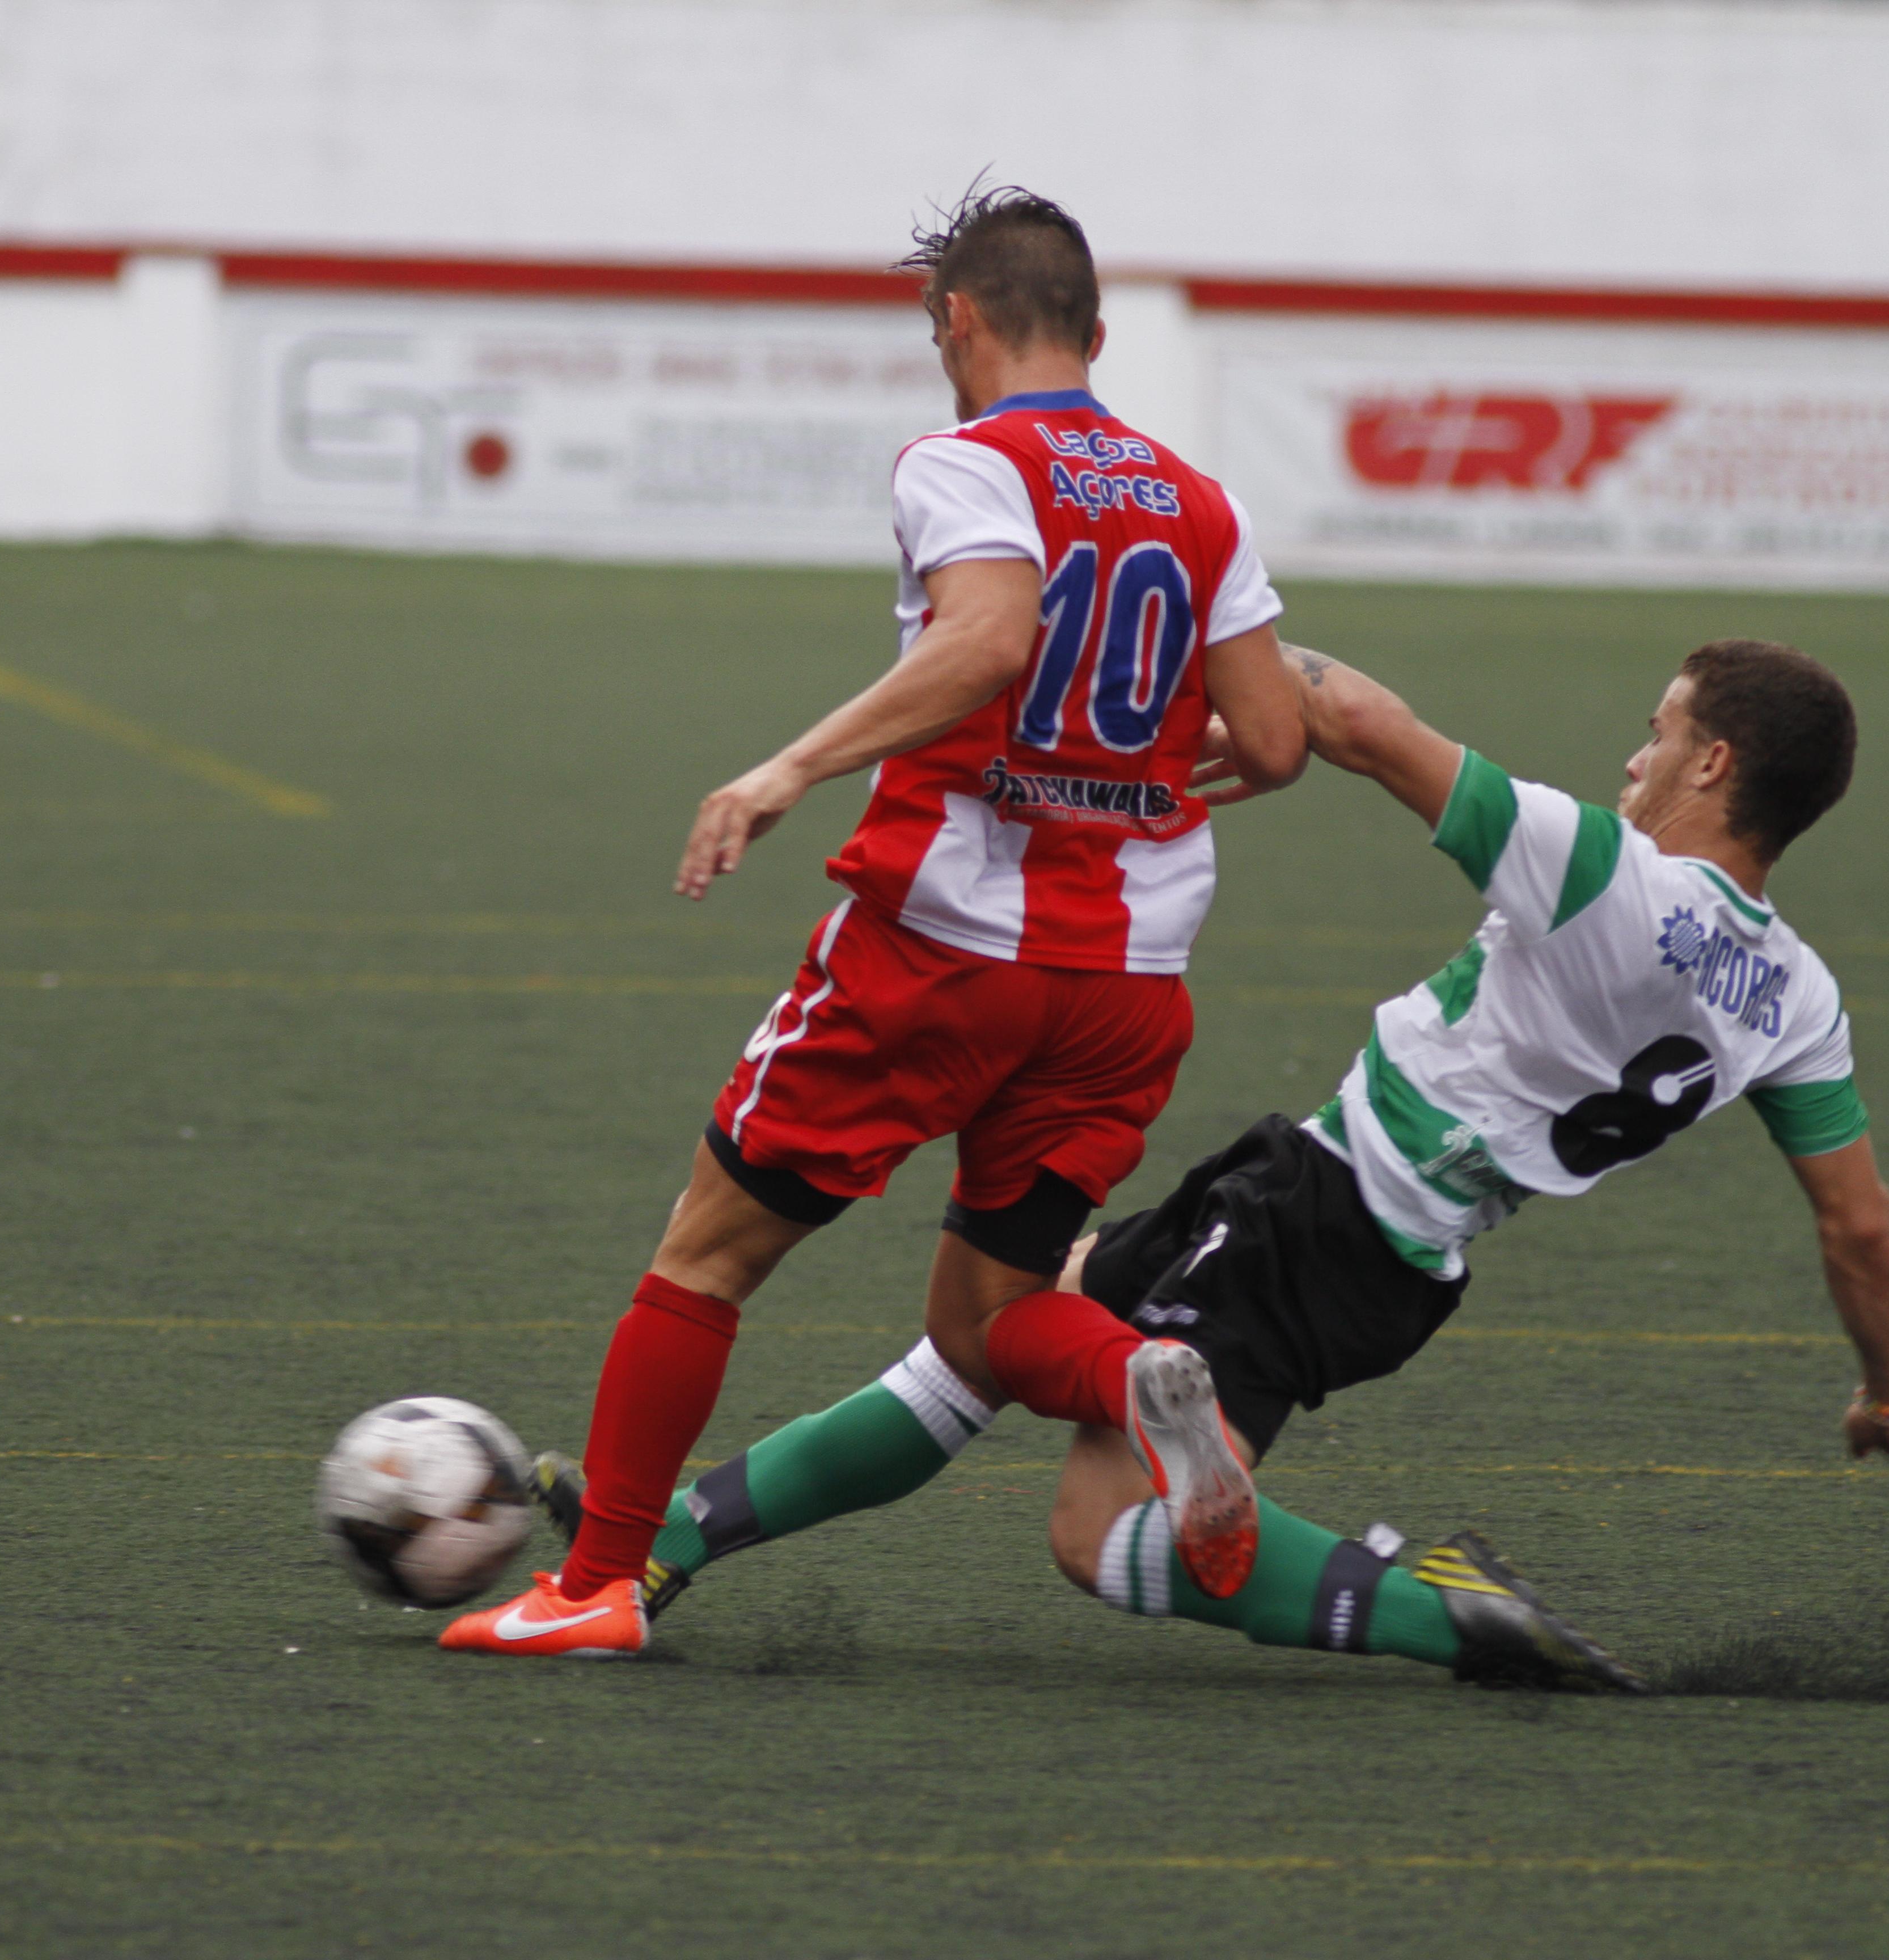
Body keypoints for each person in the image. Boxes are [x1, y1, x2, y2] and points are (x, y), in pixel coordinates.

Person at [535, 637, 1889, 1691]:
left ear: (1715, 764)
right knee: (996, 1331)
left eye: (1658, 732)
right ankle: (670, 1536)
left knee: (1095, 1534)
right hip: (1365, 1233)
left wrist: (1205, 651)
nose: (1635, 756)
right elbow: (1866, 1233)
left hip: (1321, 1224)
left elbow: (1358, 714)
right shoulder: (1797, 997)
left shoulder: (1603, 867)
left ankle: (1436, 1610)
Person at [439, 186, 1308, 1658]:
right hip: (1126, 986)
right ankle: (1141, 1381)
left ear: (955, 321)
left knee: (706, 1254)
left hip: (942, 951)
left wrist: (790, 767)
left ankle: (590, 1589)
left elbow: (989, 637)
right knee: (990, 1321)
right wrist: (1130, 775)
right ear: (1096, 334)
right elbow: (1280, 740)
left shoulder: (964, 463)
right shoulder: (1197, 497)